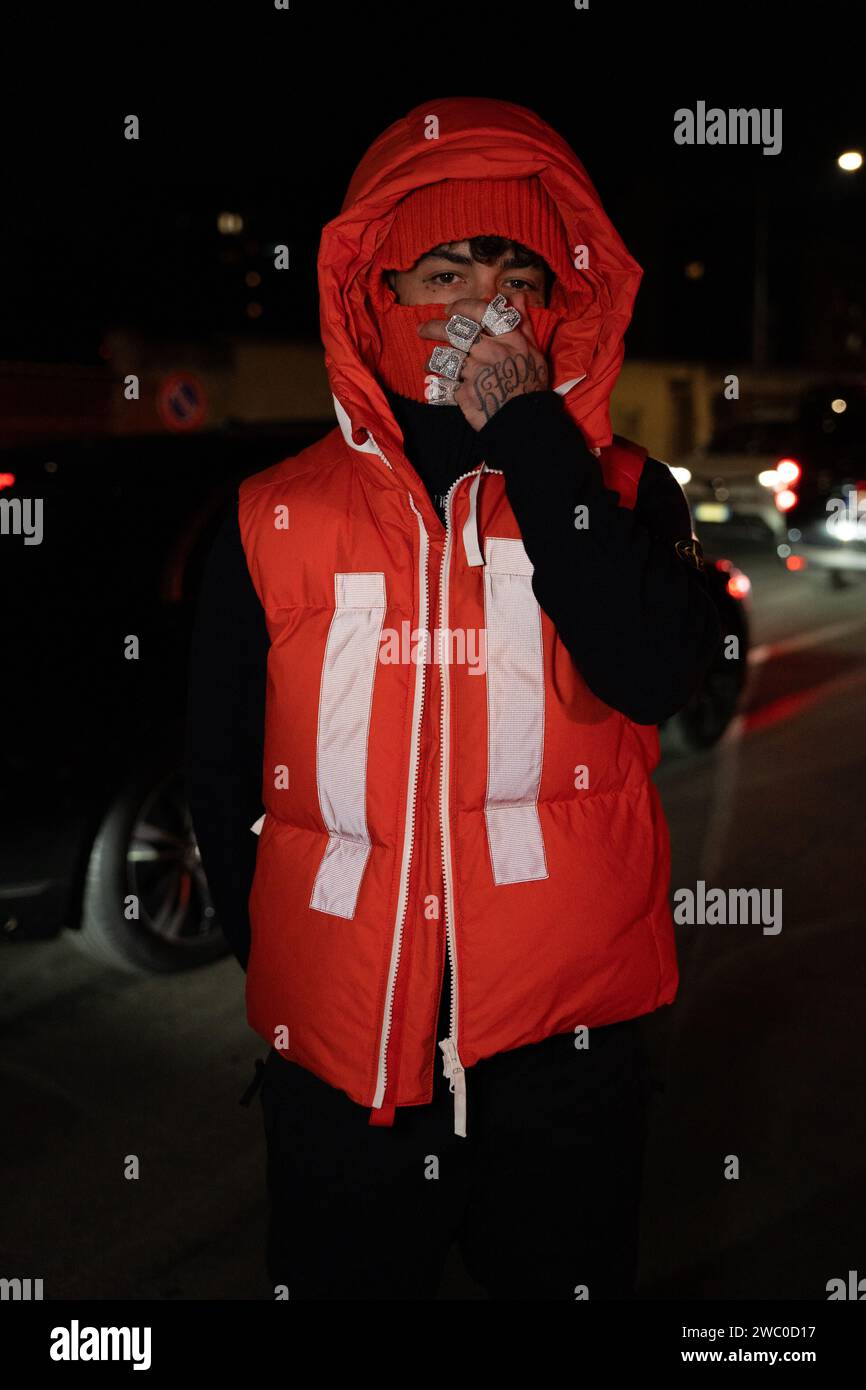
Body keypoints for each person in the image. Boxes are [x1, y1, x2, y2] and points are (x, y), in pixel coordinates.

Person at [184, 95, 722, 1301]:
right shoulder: (271, 512)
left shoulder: (626, 495)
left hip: (562, 1067)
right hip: (338, 1074)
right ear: (375, 294)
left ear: (555, 306)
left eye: (514, 271)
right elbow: (216, 770)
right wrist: (279, 960)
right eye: (442, 268)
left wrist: (532, 429)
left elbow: (648, 670)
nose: (480, 301)